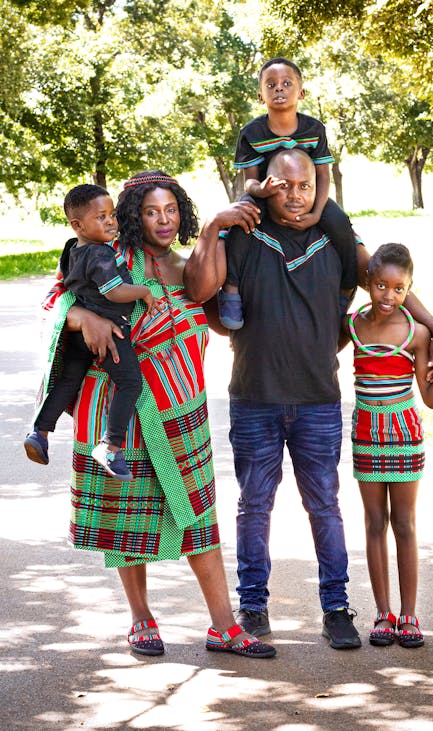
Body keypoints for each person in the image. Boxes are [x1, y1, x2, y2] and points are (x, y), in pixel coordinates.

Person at [184, 148, 433, 651]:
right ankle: (253, 606)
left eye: (306, 185)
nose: (296, 194)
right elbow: (200, 292)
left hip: (317, 400)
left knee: (324, 506)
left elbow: (388, 286)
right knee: (254, 506)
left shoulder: (336, 239)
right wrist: (217, 221)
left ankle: (335, 608)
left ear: (319, 189)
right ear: (263, 185)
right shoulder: (243, 234)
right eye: (284, 184)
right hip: (255, 395)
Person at [36, 170, 275, 659]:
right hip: (118, 414)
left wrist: (215, 229)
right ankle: (141, 618)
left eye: (170, 210)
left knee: (198, 519)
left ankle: (224, 627)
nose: (162, 221)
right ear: (133, 215)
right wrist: (89, 317)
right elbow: (54, 304)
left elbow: (216, 312)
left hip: (181, 410)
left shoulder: (190, 268)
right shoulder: (108, 258)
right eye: (151, 211)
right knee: (127, 523)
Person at [340, 243, 433, 648]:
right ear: (368, 284)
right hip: (366, 435)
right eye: (379, 286)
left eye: (397, 288)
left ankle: (409, 615)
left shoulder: (417, 332)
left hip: (404, 434)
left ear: (408, 289)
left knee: (404, 523)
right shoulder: (353, 326)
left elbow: (429, 397)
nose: (388, 296)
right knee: (374, 523)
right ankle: (382, 614)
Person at [24, 184, 163, 481]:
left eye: (112, 215)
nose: (111, 221)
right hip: (110, 332)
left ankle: (40, 431)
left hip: (78, 335)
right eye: (102, 217)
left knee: (68, 380)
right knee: (129, 382)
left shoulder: (71, 249)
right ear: (78, 224)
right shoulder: (101, 254)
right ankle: (111, 446)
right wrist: (144, 292)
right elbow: (114, 292)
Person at [218, 56, 358, 330]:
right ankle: (231, 289)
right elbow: (249, 182)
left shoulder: (313, 129)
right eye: (271, 85)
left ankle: (347, 286)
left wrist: (317, 213)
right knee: (238, 226)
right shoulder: (252, 132)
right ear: (261, 95)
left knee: (341, 223)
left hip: (302, 192)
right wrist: (263, 190)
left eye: (286, 83)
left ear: (301, 92)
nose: (279, 89)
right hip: (264, 193)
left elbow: (322, 173)